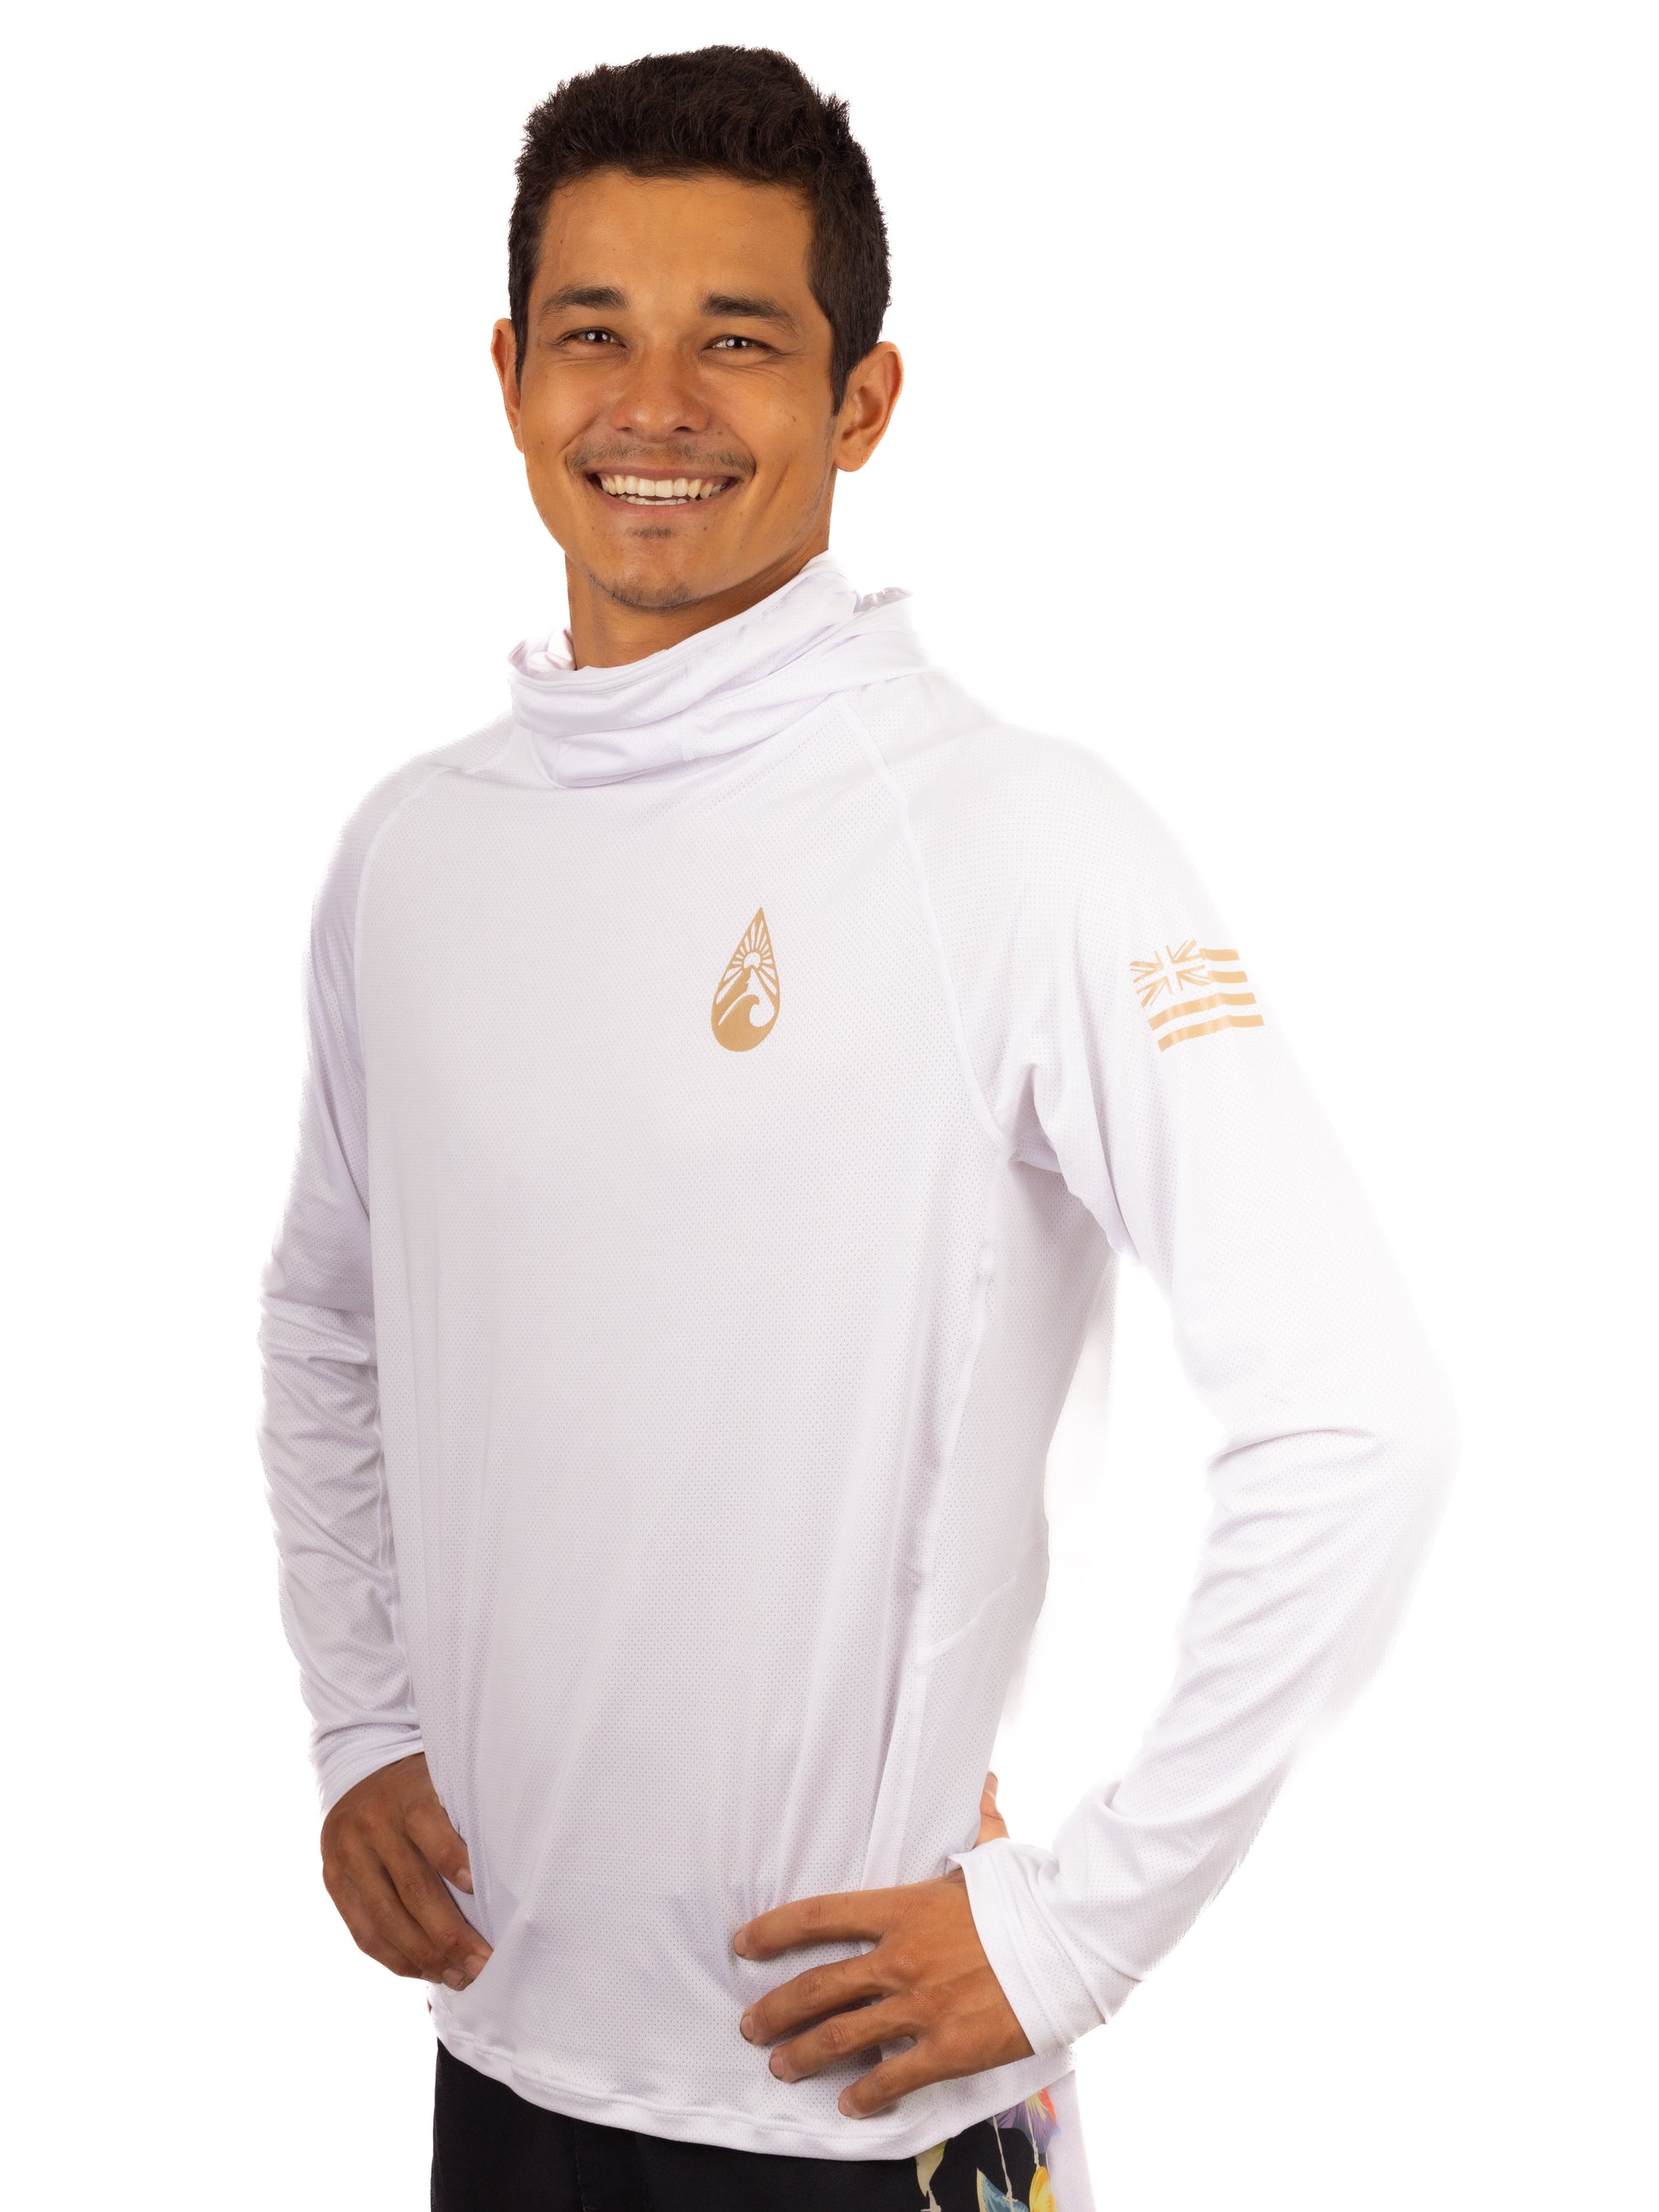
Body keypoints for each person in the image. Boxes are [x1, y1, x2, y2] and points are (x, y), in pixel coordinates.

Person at [257, 44, 1458, 2212]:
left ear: (863, 401)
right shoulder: (408, 855)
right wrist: (362, 1719)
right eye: (596, 333)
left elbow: (1355, 1418)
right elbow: (331, 1319)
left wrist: (1071, 1930)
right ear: (509, 376)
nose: (655, 404)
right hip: (505, 2048)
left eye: (738, 340)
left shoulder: (1014, 836)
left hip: (854, 2096)